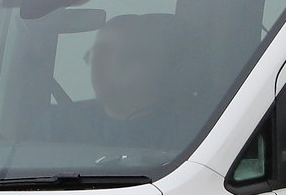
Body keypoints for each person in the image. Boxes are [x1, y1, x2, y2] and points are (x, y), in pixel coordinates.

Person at [54, 12, 199, 152]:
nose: (98, 64)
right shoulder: (57, 124)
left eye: (113, 54)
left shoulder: (193, 135)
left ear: (156, 64)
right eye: (96, 54)